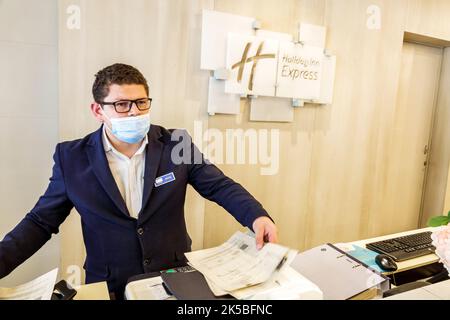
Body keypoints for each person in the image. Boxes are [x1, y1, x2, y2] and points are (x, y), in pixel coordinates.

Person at [0, 63, 277, 299]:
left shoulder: (175, 143)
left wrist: (256, 216)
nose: (134, 112)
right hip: (110, 285)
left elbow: (219, 186)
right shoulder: (72, 158)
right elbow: (40, 222)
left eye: (141, 102)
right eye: (122, 104)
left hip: (173, 278)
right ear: (98, 111)